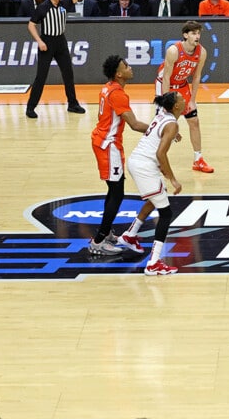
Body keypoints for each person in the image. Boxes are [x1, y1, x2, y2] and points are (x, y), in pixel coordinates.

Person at [88, 55, 149, 255]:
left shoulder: (108, 87)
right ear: (119, 74)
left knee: (113, 190)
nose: (130, 68)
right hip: (108, 145)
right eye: (126, 66)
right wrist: (161, 130)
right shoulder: (118, 94)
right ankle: (98, 241)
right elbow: (135, 125)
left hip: (104, 142)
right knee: (117, 193)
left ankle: (106, 233)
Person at [121, 91, 186, 275]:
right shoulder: (172, 123)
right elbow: (160, 154)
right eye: (181, 98)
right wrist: (173, 178)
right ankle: (153, 263)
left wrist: (174, 134)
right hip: (145, 166)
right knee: (166, 213)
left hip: (137, 161)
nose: (184, 99)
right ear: (176, 106)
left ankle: (130, 234)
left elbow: (160, 132)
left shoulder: (163, 116)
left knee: (157, 197)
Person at [25, 0, 89, 118]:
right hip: (47, 42)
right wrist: (39, 41)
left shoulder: (64, 3)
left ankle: (72, 104)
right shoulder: (43, 7)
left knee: (68, 73)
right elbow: (31, 25)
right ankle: (30, 107)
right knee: (41, 77)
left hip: (61, 41)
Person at [156, 21, 213, 173]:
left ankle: (198, 160)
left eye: (199, 33)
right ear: (185, 35)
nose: (197, 36)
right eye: (194, 33)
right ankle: (157, 159)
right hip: (165, 84)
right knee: (164, 125)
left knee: (194, 121)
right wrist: (166, 102)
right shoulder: (174, 51)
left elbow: (196, 77)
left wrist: (192, 100)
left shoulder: (202, 52)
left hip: (182, 85)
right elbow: (166, 77)